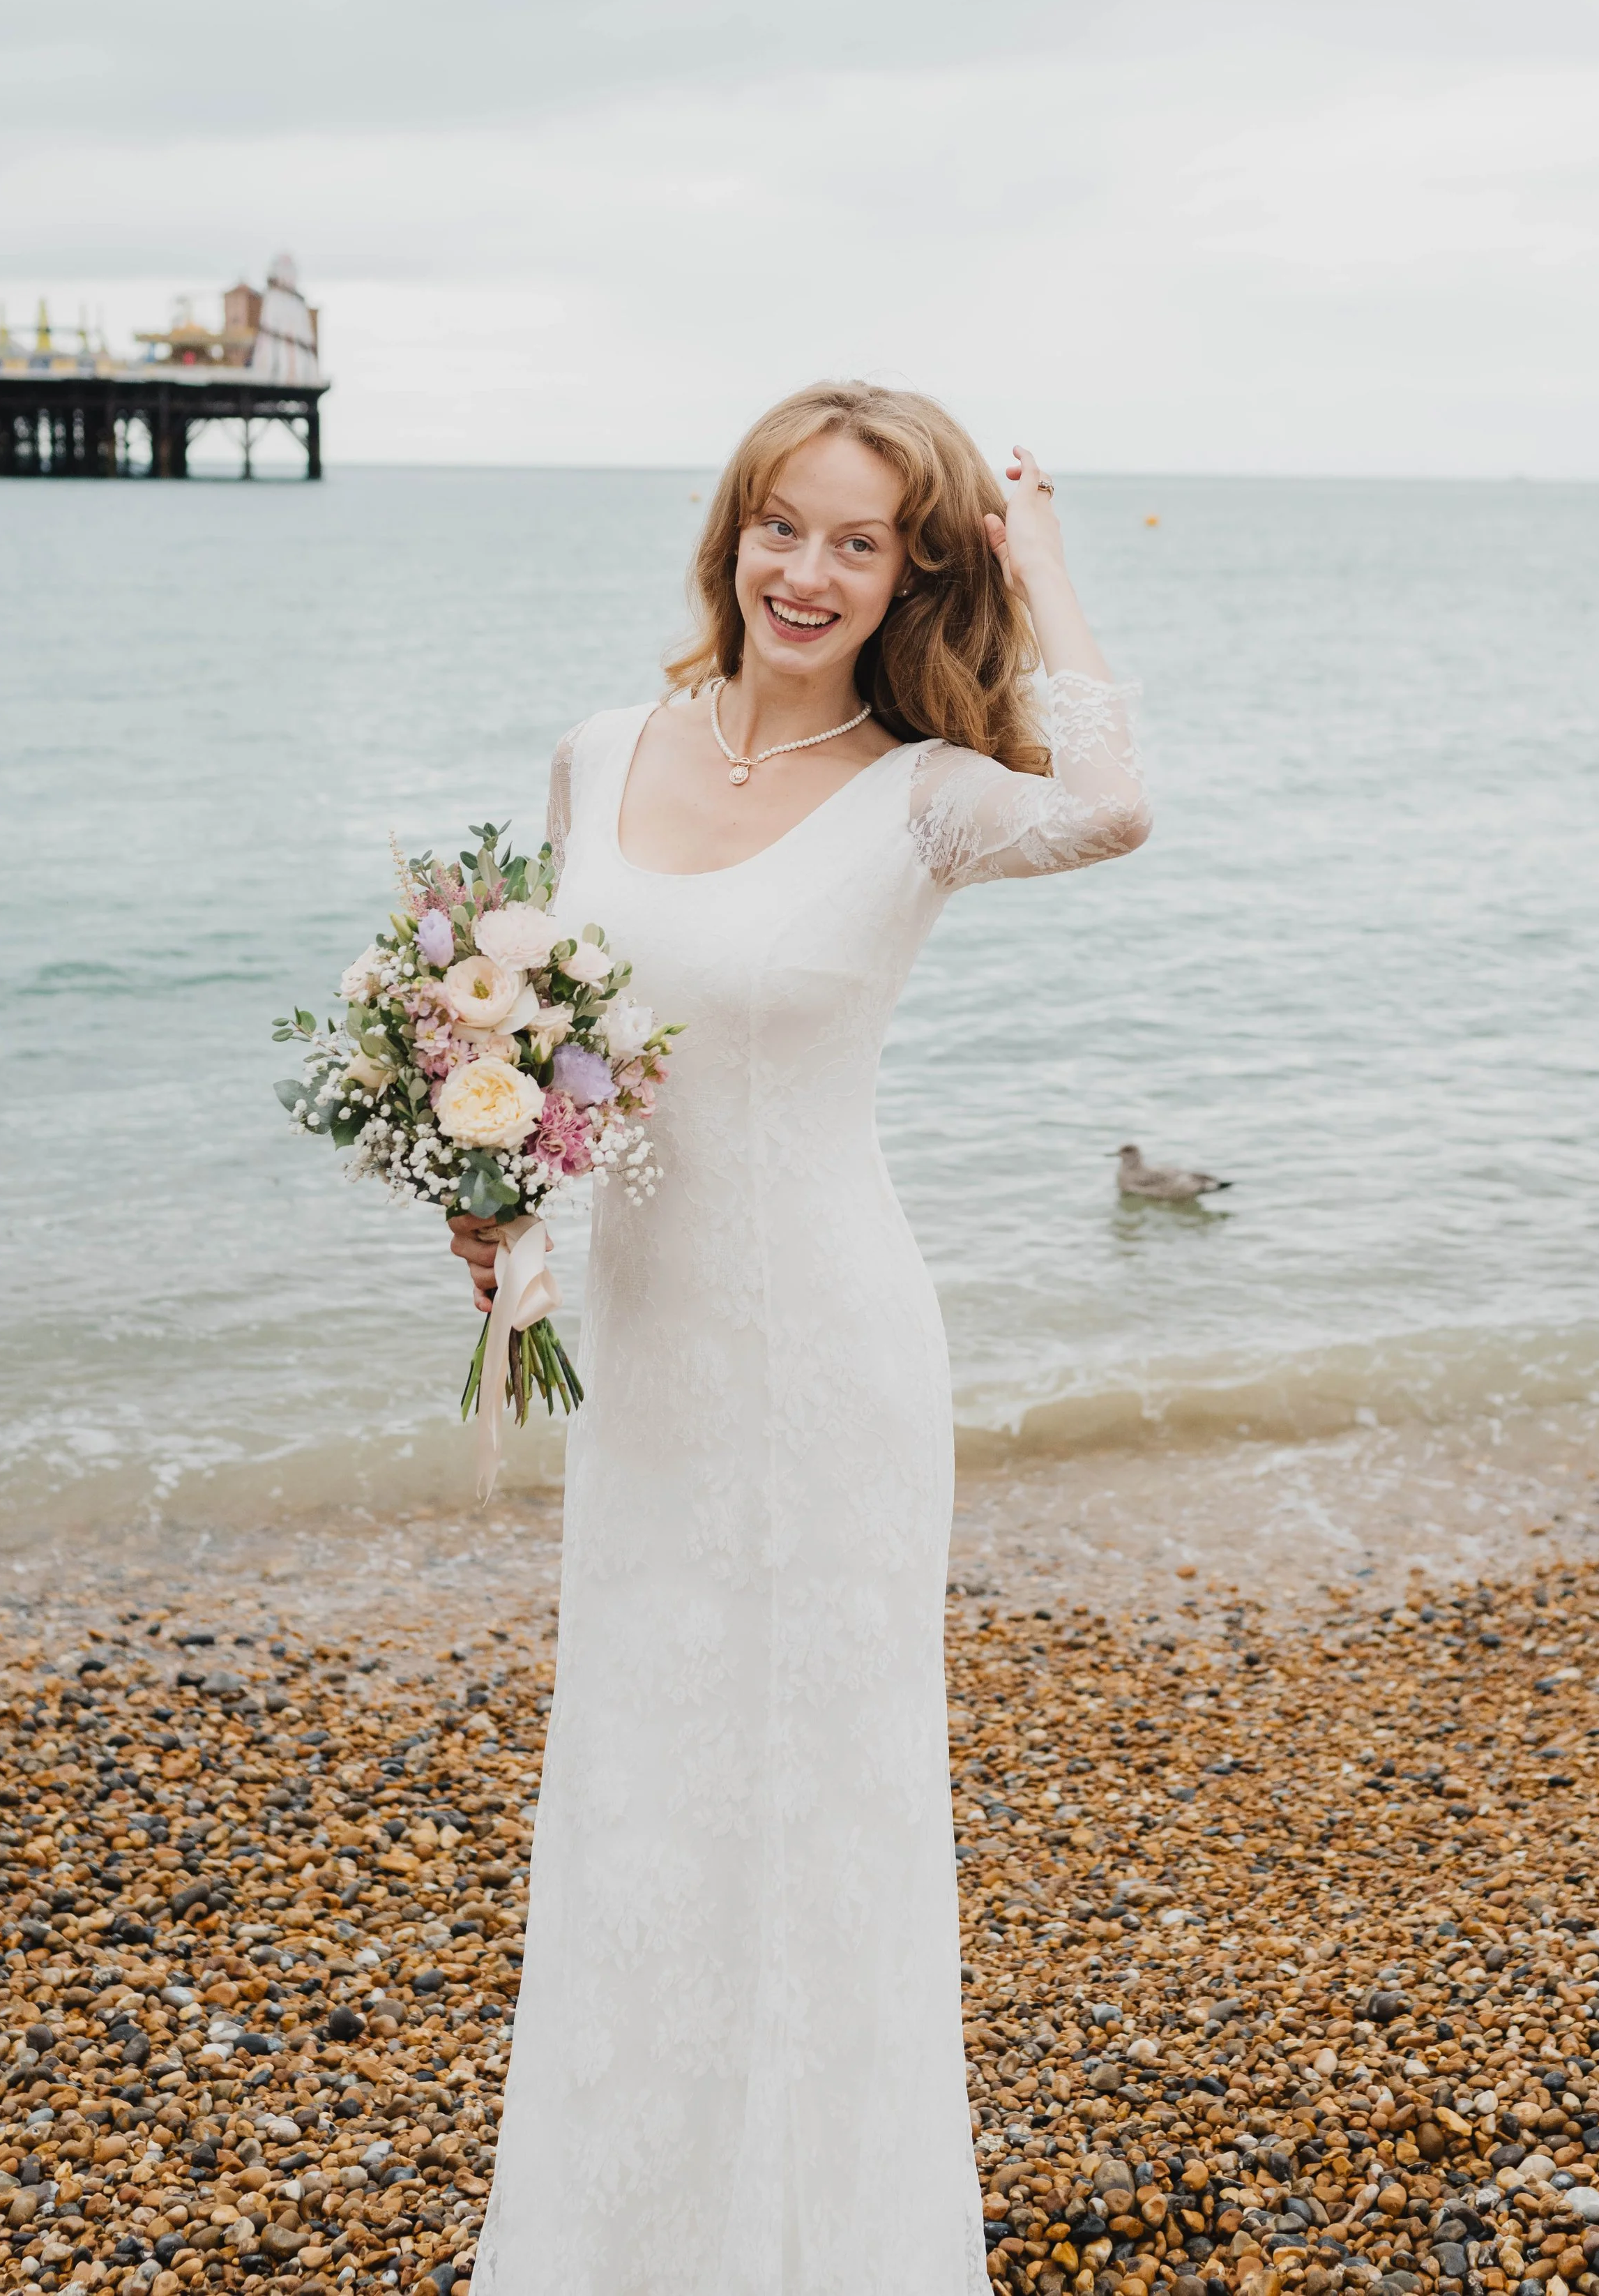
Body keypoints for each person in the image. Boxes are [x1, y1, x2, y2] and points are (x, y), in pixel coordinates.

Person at [453, 380, 1149, 2293]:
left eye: (862, 540)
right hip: (651, 1364)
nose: (807, 570)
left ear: (915, 565)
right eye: (783, 523)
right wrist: (492, 1187)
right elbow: (542, 1040)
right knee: (639, 1785)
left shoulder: (921, 793)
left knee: (818, 1803)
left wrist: (1044, 558)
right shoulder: (600, 754)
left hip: (831, 1362)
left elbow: (1110, 802)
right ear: (731, 526)